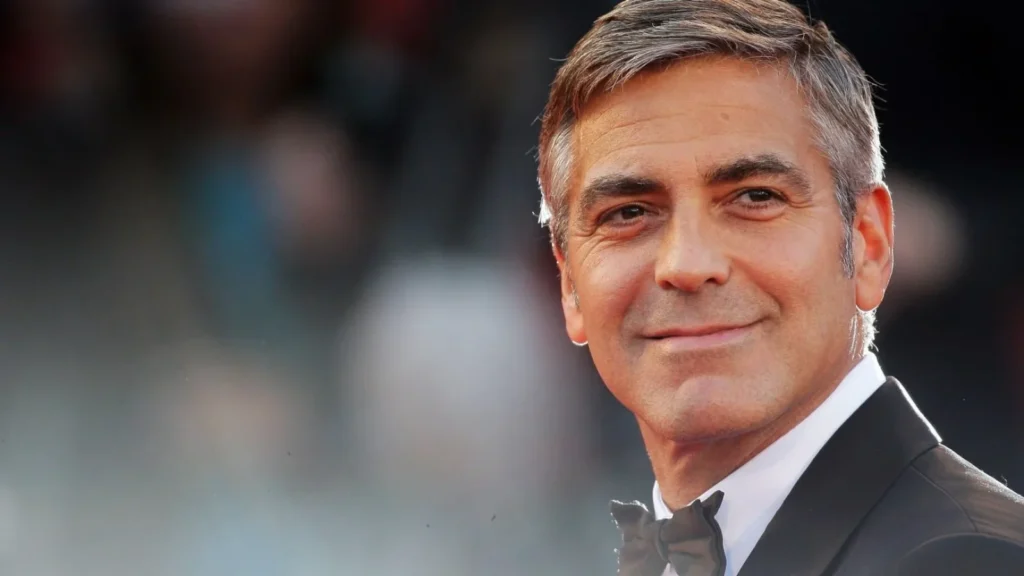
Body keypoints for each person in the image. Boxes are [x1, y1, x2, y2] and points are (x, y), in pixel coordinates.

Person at [534, 1, 1024, 574]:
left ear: (869, 245)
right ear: (570, 286)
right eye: (629, 212)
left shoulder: (964, 559)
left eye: (756, 198)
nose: (687, 264)